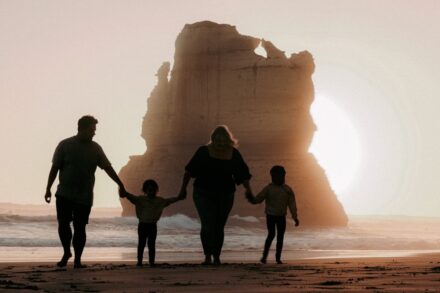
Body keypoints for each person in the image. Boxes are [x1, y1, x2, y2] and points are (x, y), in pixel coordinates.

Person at [44, 115, 126, 268]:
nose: (94, 133)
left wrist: (120, 184)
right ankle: (67, 252)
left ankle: (77, 260)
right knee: (63, 224)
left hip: (84, 196)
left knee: (80, 227)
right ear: (81, 129)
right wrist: (48, 188)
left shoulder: (96, 148)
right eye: (92, 130)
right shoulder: (64, 145)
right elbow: (55, 168)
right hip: (64, 194)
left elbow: (108, 168)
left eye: (94, 130)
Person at [179, 125, 253, 265]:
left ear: (228, 140)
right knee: (207, 224)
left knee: (219, 226)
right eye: (217, 140)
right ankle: (208, 256)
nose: (220, 142)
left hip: (226, 194)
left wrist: (249, 190)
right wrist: (183, 190)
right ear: (212, 139)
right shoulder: (204, 151)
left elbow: (243, 175)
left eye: (223, 139)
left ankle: (217, 257)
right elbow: (189, 172)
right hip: (203, 192)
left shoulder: (233, 153)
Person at [120, 179, 183, 267]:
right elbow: (130, 196)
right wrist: (123, 192)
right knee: (141, 244)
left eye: (153, 190)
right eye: (149, 190)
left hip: (153, 225)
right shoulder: (140, 199)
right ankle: (139, 262)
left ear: (156, 190)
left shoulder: (159, 201)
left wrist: (178, 198)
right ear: (145, 191)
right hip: (142, 224)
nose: (151, 192)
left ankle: (151, 262)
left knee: (151, 244)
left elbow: (170, 200)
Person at [246, 165, 299, 264]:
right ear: (272, 177)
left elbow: (292, 205)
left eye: (281, 176)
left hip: (281, 216)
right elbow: (258, 199)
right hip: (270, 216)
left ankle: (277, 258)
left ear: (284, 176)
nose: (279, 178)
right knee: (272, 234)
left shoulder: (287, 190)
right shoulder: (268, 189)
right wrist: (251, 198)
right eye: (277, 176)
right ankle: (264, 257)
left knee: (280, 236)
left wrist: (295, 217)